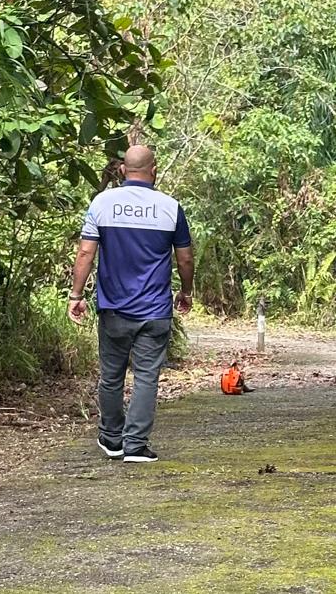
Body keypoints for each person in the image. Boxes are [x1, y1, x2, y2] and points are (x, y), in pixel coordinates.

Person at [68, 145, 194, 464]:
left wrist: (76, 295)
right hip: (155, 310)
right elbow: (185, 258)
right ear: (154, 170)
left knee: (111, 375)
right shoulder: (170, 208)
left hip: (114, 308)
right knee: (147, 377)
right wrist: (186, 291)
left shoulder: (102, 203)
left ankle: (112, 439)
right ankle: (135, 445)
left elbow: (85, 252)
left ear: (123, 170)